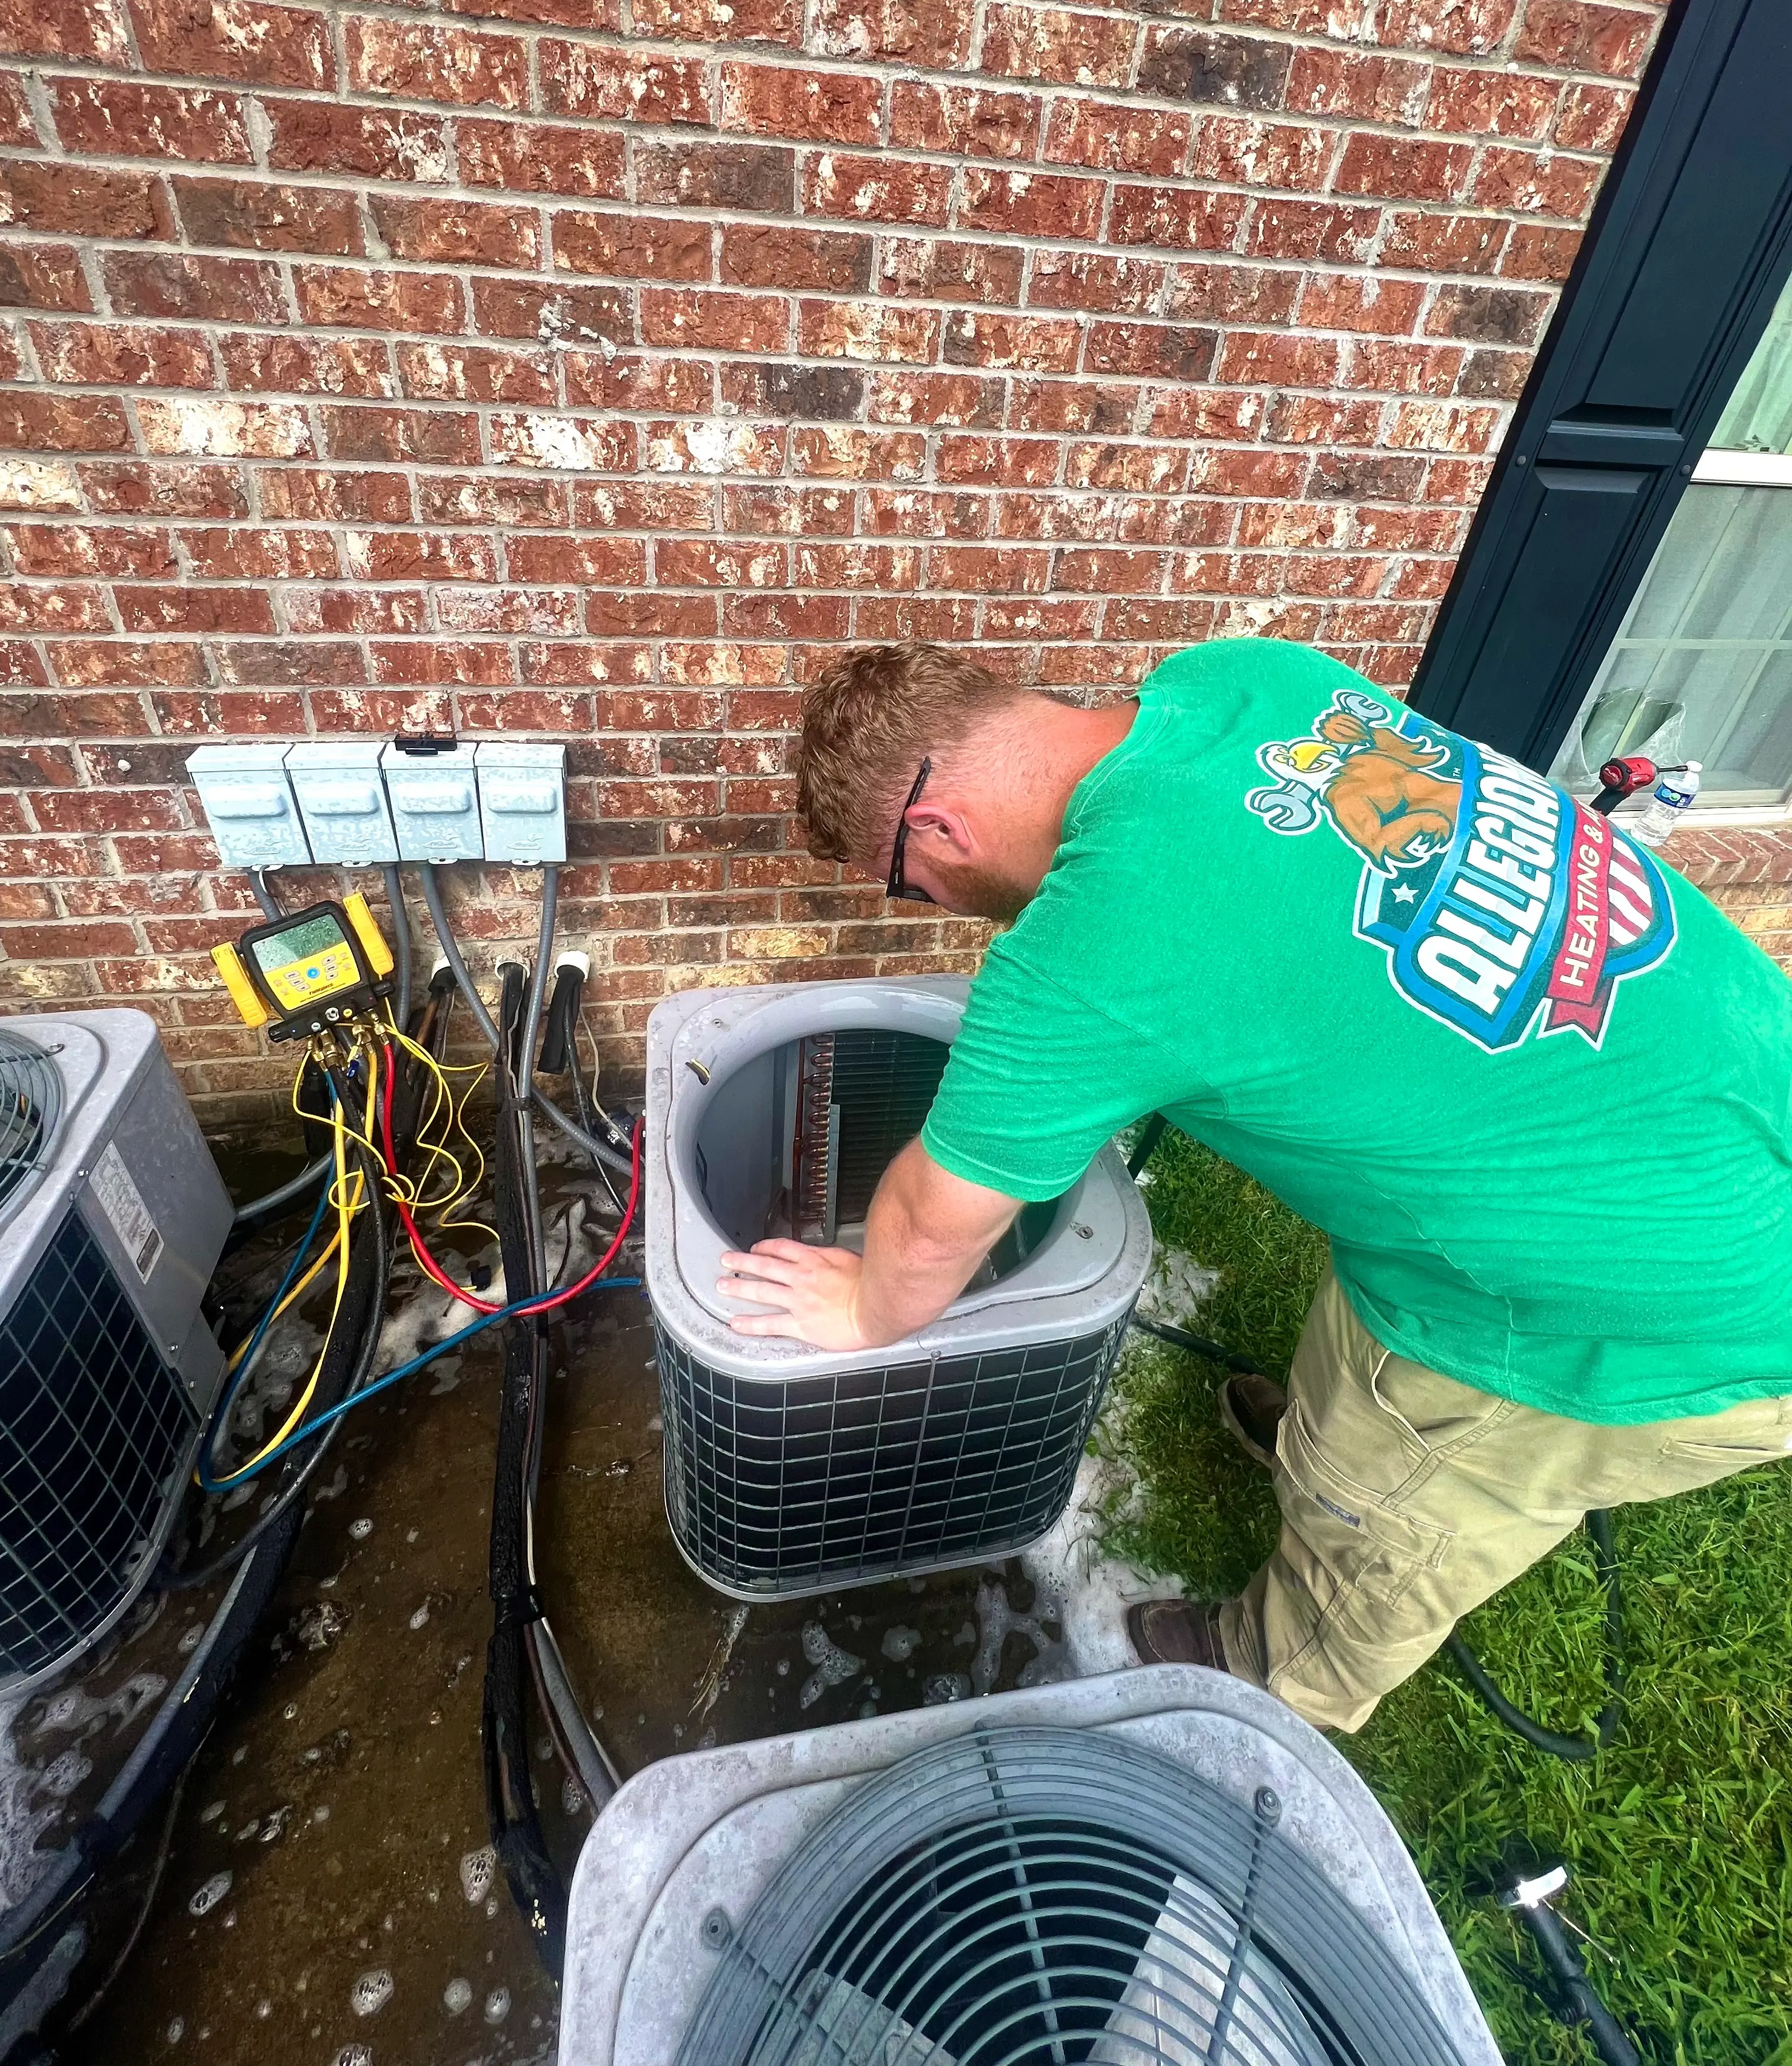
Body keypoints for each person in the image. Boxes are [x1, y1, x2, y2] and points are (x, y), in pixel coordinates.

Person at [717, 637, 1792, 1733]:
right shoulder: (1248, 678)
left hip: (1672, 1292)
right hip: (1739, 1075)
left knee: (1401, 1491)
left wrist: (861, 1306)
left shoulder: (1095, 940)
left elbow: (930, 1234)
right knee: (1377, 1299)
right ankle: (1328, 1440)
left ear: (938, 828)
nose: (929, 901)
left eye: (906, 880)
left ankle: (1267, 1667)